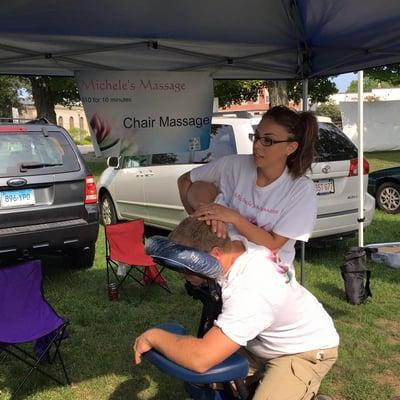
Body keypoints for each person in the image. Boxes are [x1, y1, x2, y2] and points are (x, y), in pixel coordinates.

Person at [134, 218, 339, 400]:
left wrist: (153, 337)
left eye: (187, 268)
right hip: (263, 340)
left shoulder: (251, 289)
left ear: (214, 255)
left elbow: (200, 358)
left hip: (303, 350)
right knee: (205, 383)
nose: (182, 274)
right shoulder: (232, 242)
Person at [178, 106, 319, 275]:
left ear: (291, 147)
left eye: (268, 141)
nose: (257, 146)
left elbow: (273, 245)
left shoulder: (301, 190)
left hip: (266, 279)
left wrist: (231, 216)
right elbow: (186, 181)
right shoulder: (232, 165)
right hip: (218, 273)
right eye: (257, 137)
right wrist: (207, 216)